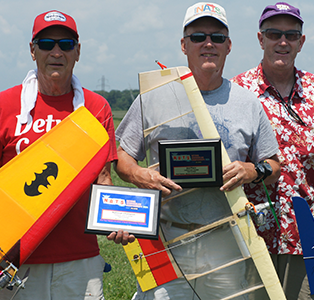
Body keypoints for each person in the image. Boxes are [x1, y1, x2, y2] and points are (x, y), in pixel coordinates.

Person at [0, 10, 131, 300]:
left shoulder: (96, 108)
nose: (56, 52)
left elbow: (103, 179)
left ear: (78, 51)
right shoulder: (4, 105)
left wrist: (119, 219)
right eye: (46, 44)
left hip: (79, 260)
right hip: (13, 258)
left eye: (66, 44)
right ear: (33, 51)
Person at [115, 2, 281, 299]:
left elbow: (273, 165)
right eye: (198, 37)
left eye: (217, 37)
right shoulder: (152, 97)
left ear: (228, 46)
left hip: (228, 240)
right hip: (166, 239)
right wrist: (141, 175)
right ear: (183, 45)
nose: (208, 44)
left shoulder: (248, 102)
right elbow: (122, 156)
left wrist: (252, 170)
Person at [231, 3, 314, 299]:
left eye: (291, 35)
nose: (282, 42)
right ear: (260, 39)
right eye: (274, 34)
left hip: (304, 235)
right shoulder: (237, 91)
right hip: (250, 234)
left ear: (301, 42)